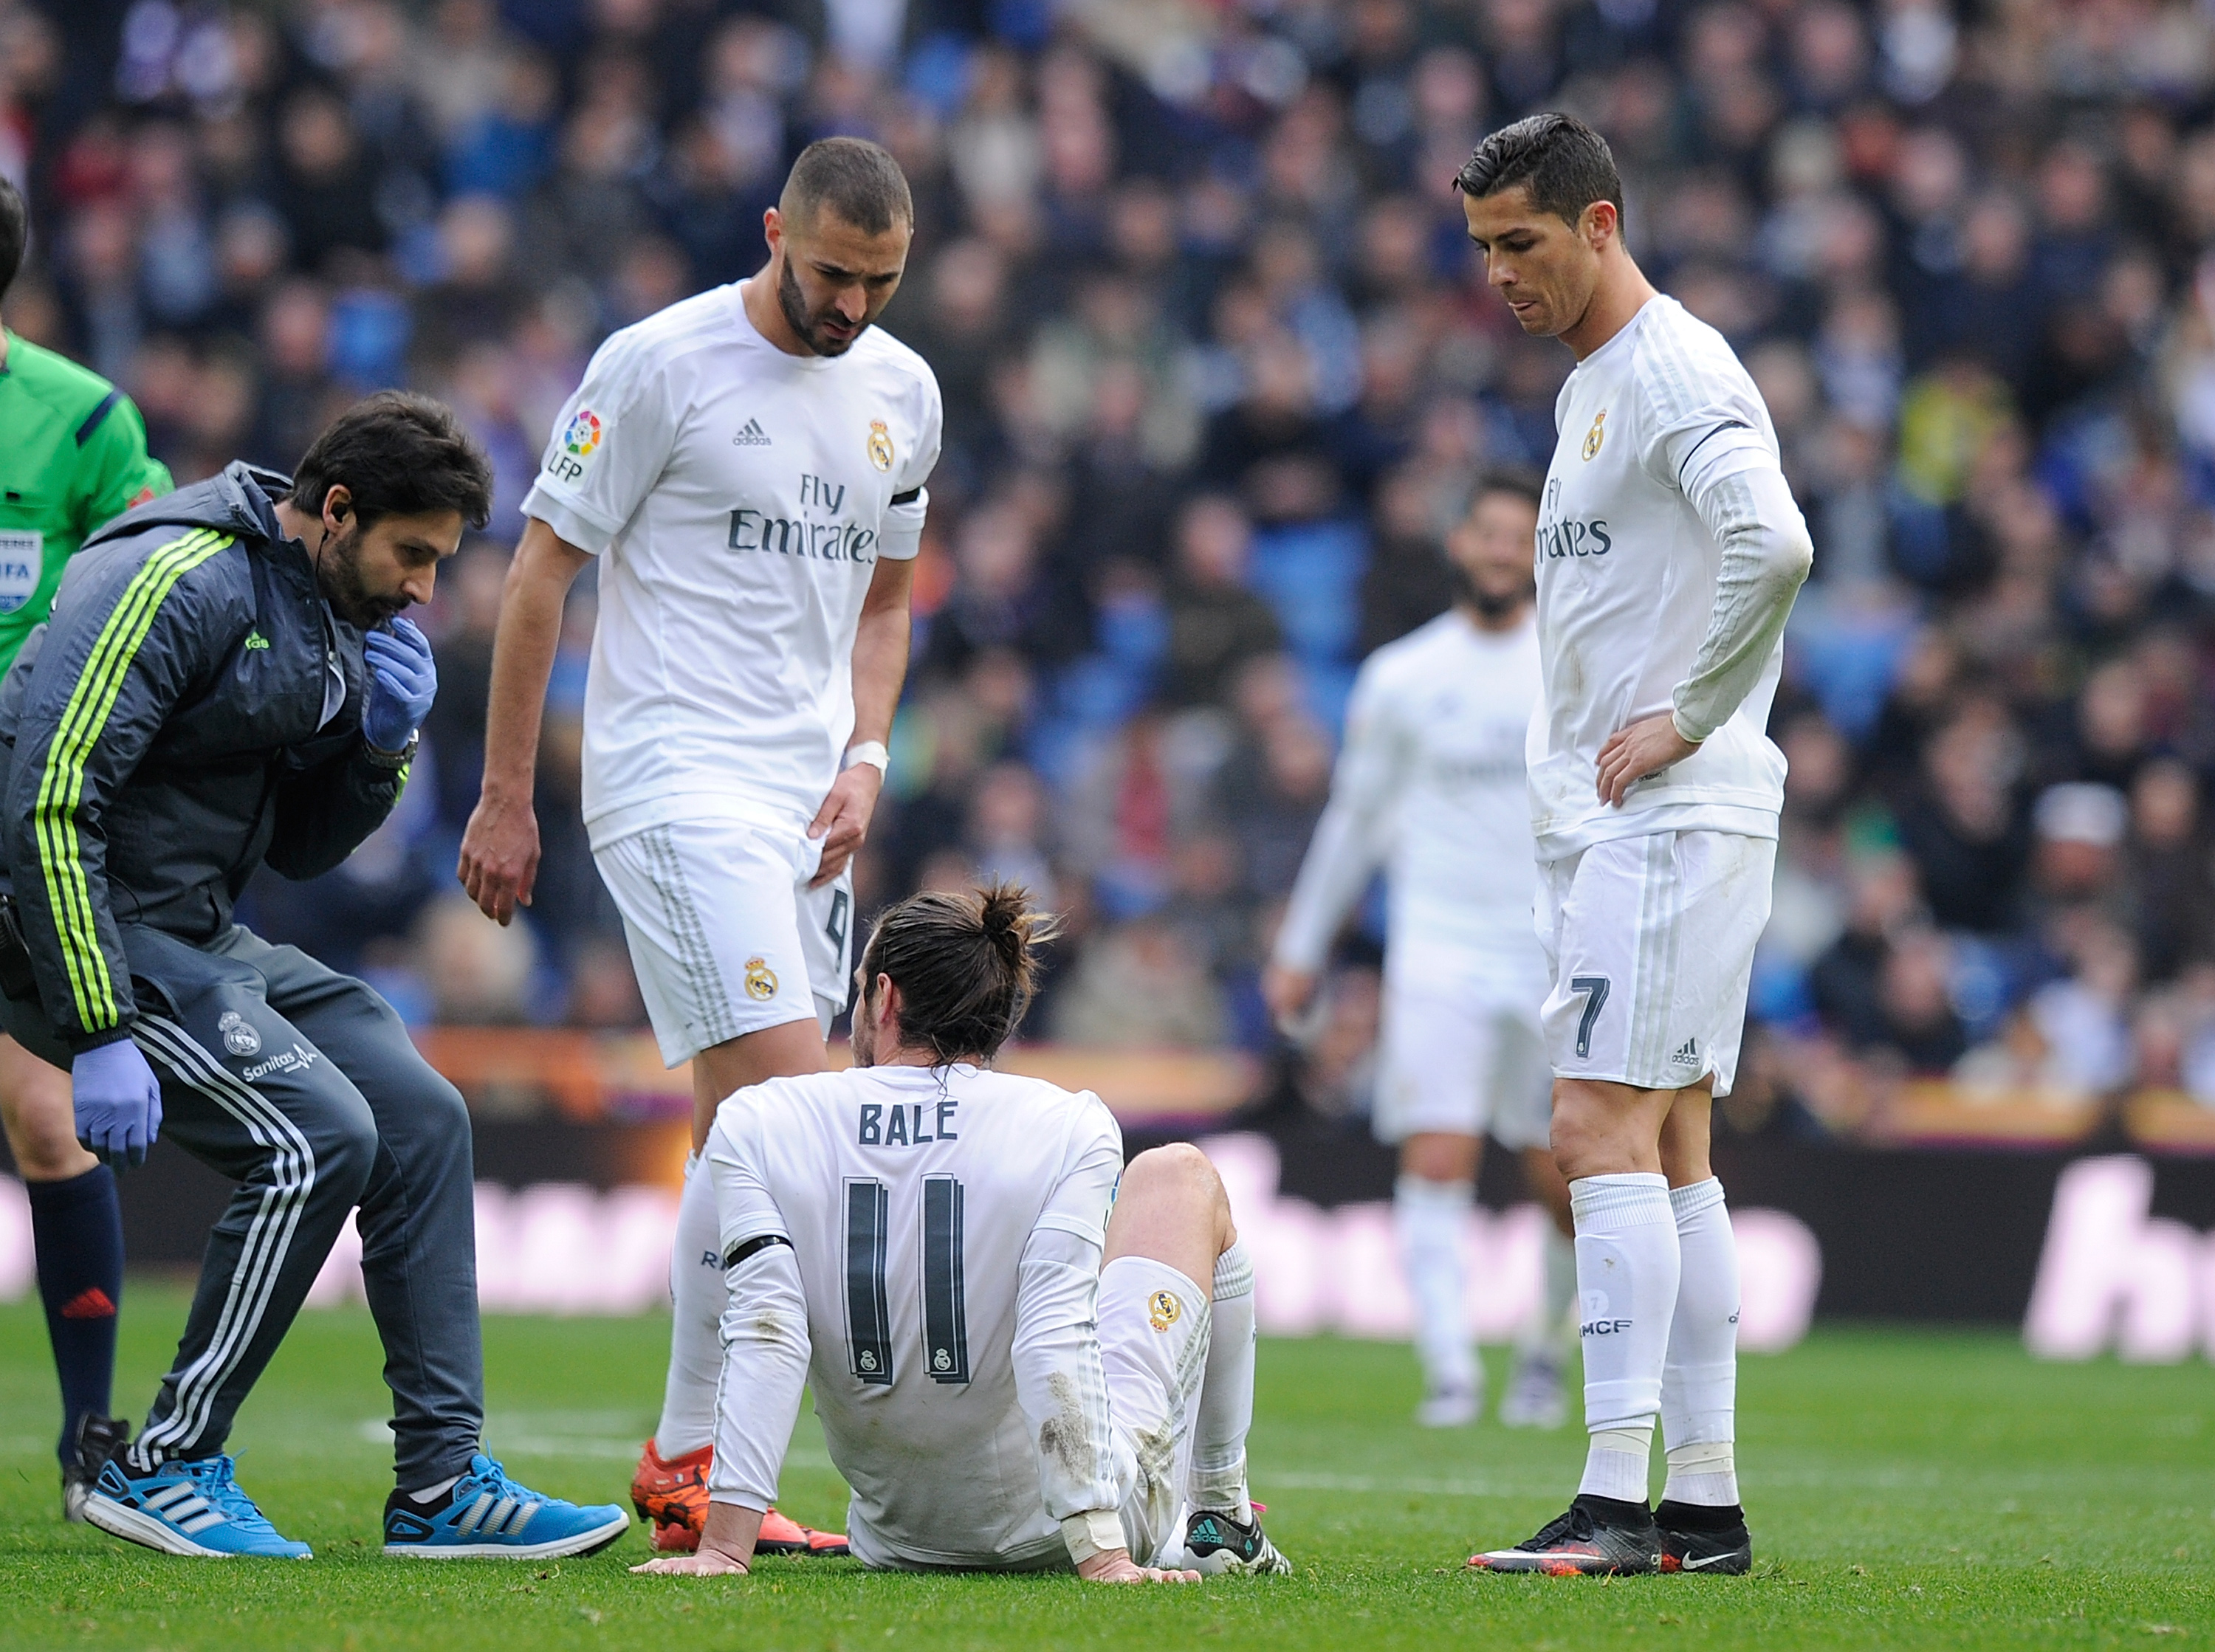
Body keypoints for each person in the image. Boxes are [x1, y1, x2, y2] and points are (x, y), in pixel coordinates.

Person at [0, 393, 629, 1560]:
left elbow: (294, 845)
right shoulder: (176, 577)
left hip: (191, 926)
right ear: (335, 511)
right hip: (67, 917)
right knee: (317, 1134)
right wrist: (95, 1025)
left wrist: (379, 746)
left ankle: (441, 1482)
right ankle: (168, 1458)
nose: (425, 591)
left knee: (424, 1115)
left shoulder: (326, 607)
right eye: (414, 555)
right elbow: (44, 797)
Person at [455, 135, 941, 1556]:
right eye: (835, 273)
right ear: (776, 228)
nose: (854, 306)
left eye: (883, 282)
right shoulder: (657, 363)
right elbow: (541, 568)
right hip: (671, 776)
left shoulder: (903, 391)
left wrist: (867, 757)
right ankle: (861, 1457)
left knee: (743, 1135)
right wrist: (503, 793)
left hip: (808, 808)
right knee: (802, 1118)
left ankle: (683, 1463)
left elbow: (890, 606)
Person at [1455, 114, 1812, 1577]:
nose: (1499, 276)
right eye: (1481, 250)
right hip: (1637, 825)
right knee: (1672, 1153)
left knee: (1594, 1130)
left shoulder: (1670, 368)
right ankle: (1705, 1506)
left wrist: (1689, 714)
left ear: (1600, 223)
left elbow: (1773, 540)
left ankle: (1614, 1500)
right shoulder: (1594, 386)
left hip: (1669, 816)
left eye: (1522, 244)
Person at [630, 884, 1292, 1582]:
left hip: (899, 1537)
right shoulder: (1065, 1123)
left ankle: (1212, 1515)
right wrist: (1104, 1556)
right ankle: (1221, 1514)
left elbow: (768, 1330)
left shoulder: (760, 1120)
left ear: (884, 997)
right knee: (1179, 1176)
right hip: (1077, 1524)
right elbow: (1052, 1334)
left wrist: (725, 1548)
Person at [1263, 472, 1577, 1432]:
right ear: (1459, 542)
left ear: (1537, 552)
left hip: (1546, 948)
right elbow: (1355, 820)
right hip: (1437, 945)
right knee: (1434, 1152)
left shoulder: (1568, 666)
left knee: (1560, 1170)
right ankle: (1449, 1369)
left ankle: (1542, 1349)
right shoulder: (1403, 676)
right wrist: (1302, 943)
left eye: (1517, 538)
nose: (1498, 552)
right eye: (1485, 532)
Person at [0, 173, 172, 1518]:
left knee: (45, 1116)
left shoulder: (83, 422)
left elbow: (149, 581)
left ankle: (87, 1440)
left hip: (17, 803)